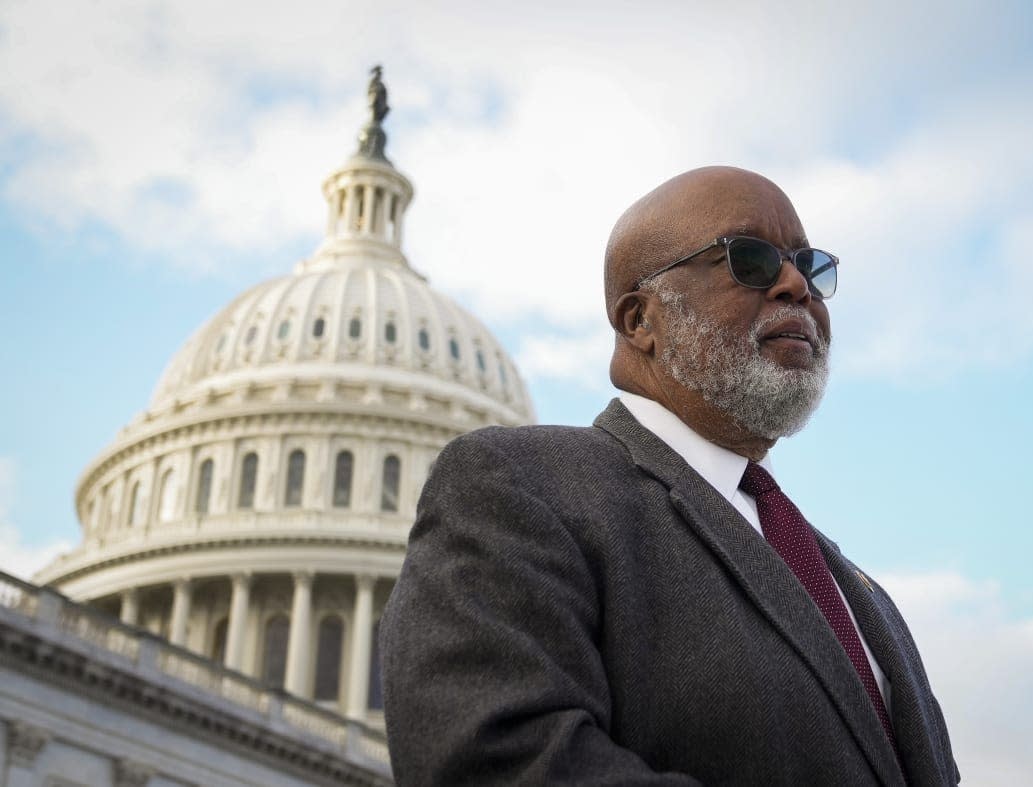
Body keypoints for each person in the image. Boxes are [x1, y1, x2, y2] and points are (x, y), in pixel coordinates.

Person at [380, 166, 959, 785]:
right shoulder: (520, 487)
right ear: (639, 320)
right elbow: (499, 759)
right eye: (751, 260)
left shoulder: (855, 587)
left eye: (810, 265)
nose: (796, 285)